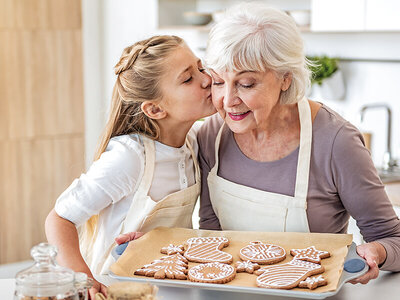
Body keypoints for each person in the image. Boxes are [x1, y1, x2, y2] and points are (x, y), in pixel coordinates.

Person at [197, 2, 400, 284]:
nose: (228, 100)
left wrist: (376, 251)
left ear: (285, 78)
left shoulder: (336, 142)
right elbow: (210, 233)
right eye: (218, 82)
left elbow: (393, 238)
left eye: (246, 84)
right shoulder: (211, 136)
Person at [45, 35, 215, 298]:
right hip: (117, 289)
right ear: (155, 109)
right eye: (188, 78)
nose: (207, 79)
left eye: (201, 67)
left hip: (169, 287)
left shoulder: (194, 141)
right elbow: (59, 219)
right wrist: (83, 279)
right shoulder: (130, 157)